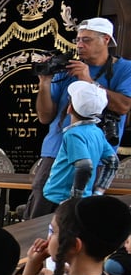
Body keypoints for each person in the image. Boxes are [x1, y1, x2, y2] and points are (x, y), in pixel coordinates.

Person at [27, 17, 131, 219]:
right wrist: (45, 82)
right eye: (78, 40)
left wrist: (88, 80)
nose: (79, 45)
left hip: (96, 151)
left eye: (87, 40)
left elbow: (124, 106)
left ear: (106, 40)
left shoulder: (125, 69)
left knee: (81, 214)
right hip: (56, 150)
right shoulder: (67, 69)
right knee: (41, 205)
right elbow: (45, 116)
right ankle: (31, 250)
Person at [37, 82, 115, 214]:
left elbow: (84, 166)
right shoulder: (96, 132)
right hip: (79, 198)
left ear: (69, 108)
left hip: (58, 199)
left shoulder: (73, 134)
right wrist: (98, 192)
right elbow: (113, 162)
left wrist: (75, 199)